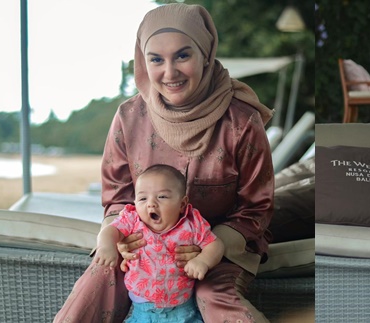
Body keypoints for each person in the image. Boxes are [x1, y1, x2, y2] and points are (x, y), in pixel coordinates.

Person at [55, 3, 275, 322]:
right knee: (98, 280)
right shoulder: (129, 117)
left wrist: (211, 248)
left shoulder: (242, 121)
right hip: (141, 246)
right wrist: (122, 240)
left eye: (183, 56)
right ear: (143, 61)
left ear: (206, 54)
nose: (169, 73)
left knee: (211, 295)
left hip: (218, 248)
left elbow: (257, 207)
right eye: (156, 59)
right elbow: (117, 197)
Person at [94, 164, 224, 322]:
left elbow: (215, 245)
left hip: (183, 312)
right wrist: (107, 246)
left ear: (182, 204)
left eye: (162, 197)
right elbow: (109, 231)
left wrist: (203, 260)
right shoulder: (132, 220)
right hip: (143, 313)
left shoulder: (191, 224)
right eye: (143, 198)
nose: (151, 204)